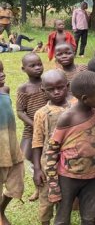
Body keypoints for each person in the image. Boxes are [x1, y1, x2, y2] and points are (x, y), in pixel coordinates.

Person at [45, 71, 95, 225]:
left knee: (89, 216)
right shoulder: (68, 117)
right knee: (63, 214)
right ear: (86, 99)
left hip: (92, 177)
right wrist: (53, 185)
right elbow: (52, 150)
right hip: (68, 177)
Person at [31, 70, 71, 225]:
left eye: (60, 87)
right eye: (51, 89)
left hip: (69, 164)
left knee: (66, 200)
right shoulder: (41, 113)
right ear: (43, 90)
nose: (56, 92)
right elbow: (37, 142)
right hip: (48, 165)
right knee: (46, 200)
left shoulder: (74, 108)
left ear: (67, 86)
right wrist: (37, 169)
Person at [16, 53, 47, 201]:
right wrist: (35, 124)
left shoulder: (47, 82)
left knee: (45, 157)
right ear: (23, 69)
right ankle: (38, 187)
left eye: (39, 64)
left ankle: (46, 188)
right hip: (31, 129)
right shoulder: (23, 88)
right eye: (32, 65)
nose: (37, 68)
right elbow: (20, 112)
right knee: (26, 156)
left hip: (49, 127)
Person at [0, 70, 25, 225]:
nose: (1, 74)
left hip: (11, 146)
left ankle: (1, 210)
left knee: (16, 182)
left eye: (1, 70)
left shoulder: (5, 90)